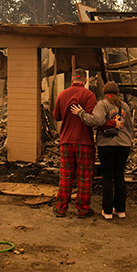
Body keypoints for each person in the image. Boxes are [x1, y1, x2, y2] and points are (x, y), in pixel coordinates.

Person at [71, 81, 133, 220]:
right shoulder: (125, 106)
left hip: (107, 145)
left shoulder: (103, 104)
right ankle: (121, 210)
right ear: (117, 92)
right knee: (119, 177)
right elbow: (130, 127)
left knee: (107, 178)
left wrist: (80, 113)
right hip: (124, 146)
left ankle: (107, 212)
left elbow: (96, 120)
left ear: (105, 93)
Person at [52, 68, 98, 218]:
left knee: (66, 175)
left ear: (72, 80)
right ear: (85, 80)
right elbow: (93, 119)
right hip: (84, 142)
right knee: (84, 176)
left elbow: (57, 116)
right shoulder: (89, 95)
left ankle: (61, 208)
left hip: (66, 141)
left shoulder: (62, 95)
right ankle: (83, 209)